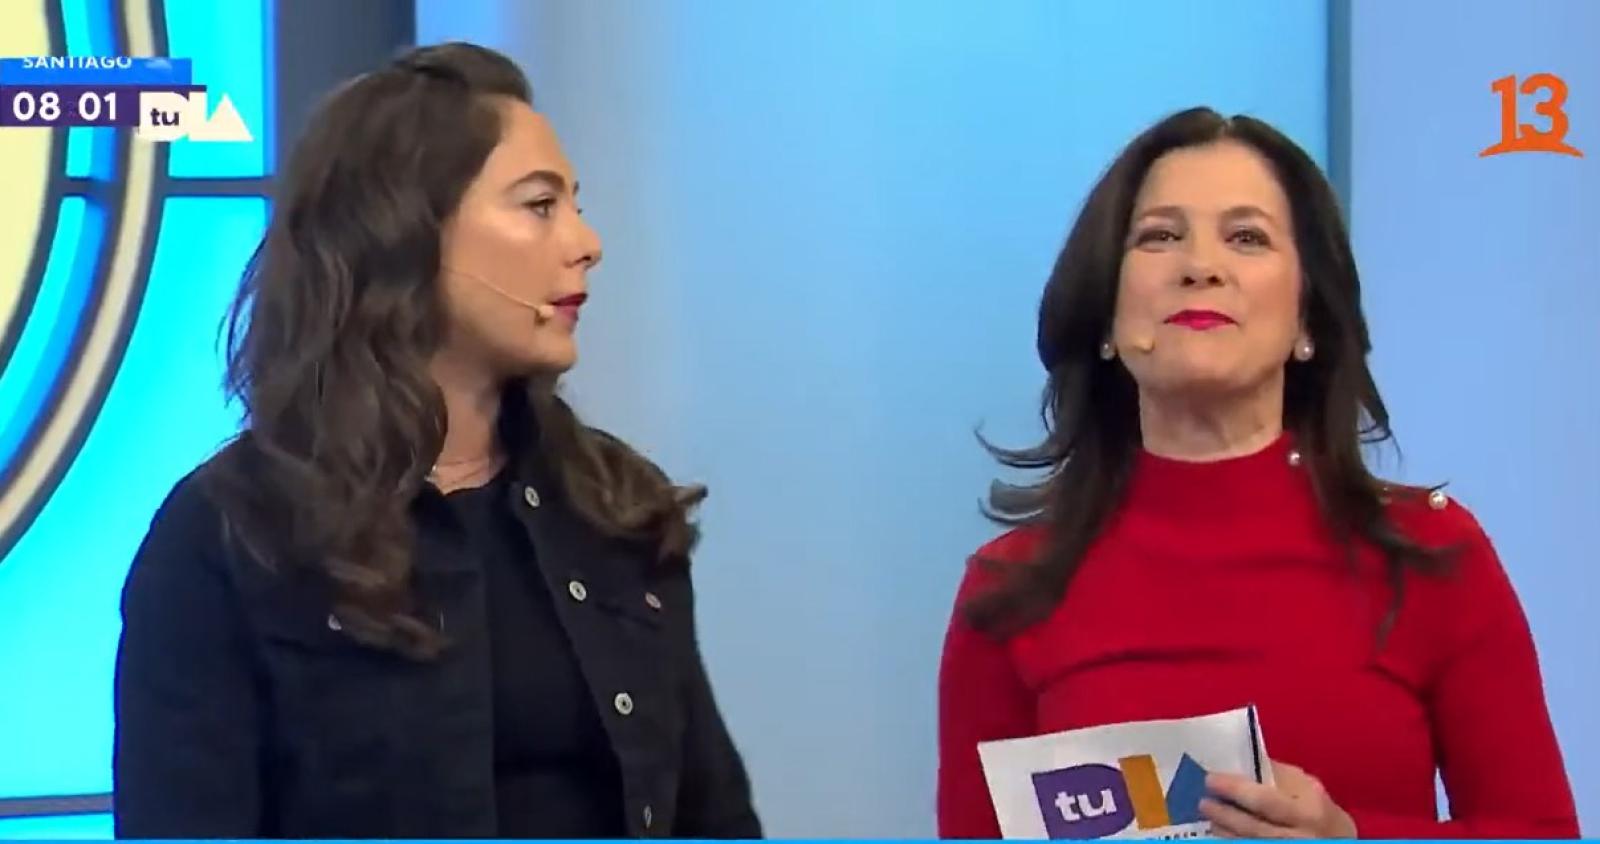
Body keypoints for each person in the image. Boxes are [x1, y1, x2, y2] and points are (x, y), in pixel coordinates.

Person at [113, 42, 760, 839]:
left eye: (575, 205)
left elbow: (714, 815)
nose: (586, 242)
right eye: (539, 205)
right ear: (407, 234)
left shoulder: (611, 504)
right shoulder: (229, 536)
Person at [936, 107, 1579, 839]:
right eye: (1159, 236)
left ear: (1307, 319)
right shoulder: (1010, 587)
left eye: (1247, 237)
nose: (1200, 267)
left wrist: (1351, 837)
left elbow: (1544, 832)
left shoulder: (1431, 554)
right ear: (1108, 318)